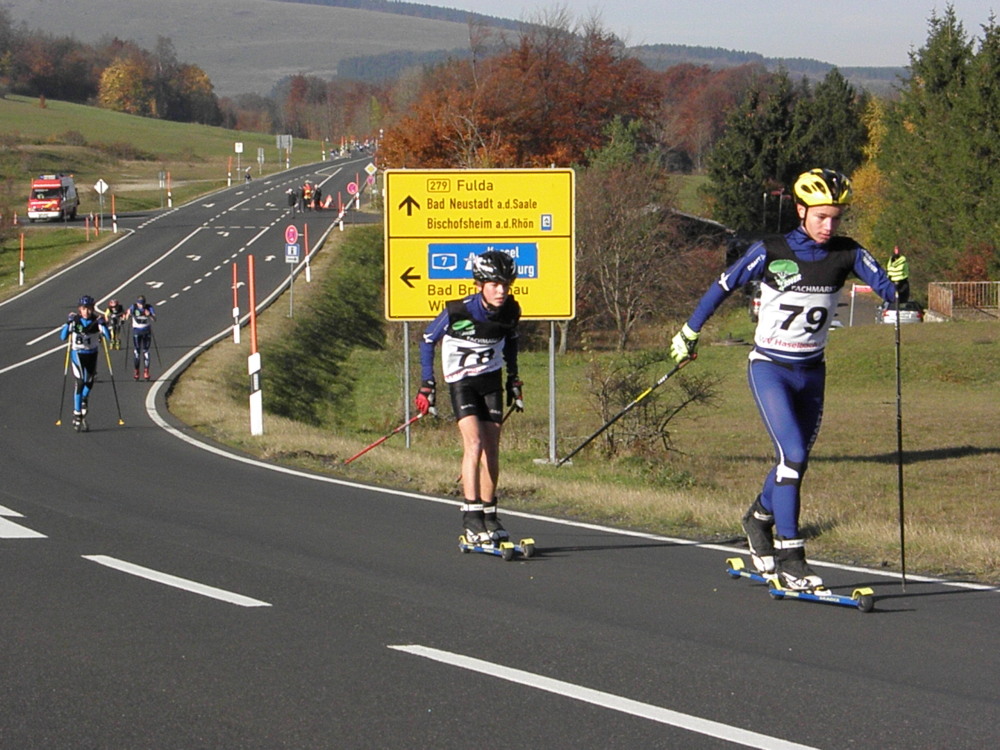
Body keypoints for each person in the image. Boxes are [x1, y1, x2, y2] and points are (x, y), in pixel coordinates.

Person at [669, 168, 910, 591]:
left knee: (792, 461)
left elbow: (892, 295)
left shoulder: (847, 253)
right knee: (794, 454)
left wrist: (899, 280)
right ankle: (791, 555)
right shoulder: (771, 249)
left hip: (812, 371)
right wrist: (690, 331)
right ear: (800, 210)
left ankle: (758, 519)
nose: (829, 225)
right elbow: (722, 285)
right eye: (820, 217)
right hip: (770, 368)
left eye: (836, 217)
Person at [416, 250, 523, 545]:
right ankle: (471, 515)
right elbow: (427, 340)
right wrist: (427, 383)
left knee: (492, 446)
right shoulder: (458, 310)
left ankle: (490, 515)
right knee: (474, 442)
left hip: (491, 381)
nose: (501, 291)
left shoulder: (511, 309)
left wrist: (514, 378)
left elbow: (511, 341)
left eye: (506, 284)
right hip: (462, 382)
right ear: (479, 284)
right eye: (494, 284)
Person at [60, 295, 110, 429]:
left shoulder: (96, 321)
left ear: (92, 309)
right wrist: (68, 323)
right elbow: (63, 337)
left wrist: (103, 325)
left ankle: (83, 400)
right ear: (79, 309)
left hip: (92, 354)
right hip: (78, 354)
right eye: (83, 309)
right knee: (80, 381)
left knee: (90, 382)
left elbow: (108, 337)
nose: (86, 312)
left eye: (88, 309)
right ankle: (77, 413)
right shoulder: (75, 321)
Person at [125, 294, 157, 380]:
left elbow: (154, 319)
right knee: (137, 351)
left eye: (143, 304)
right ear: (137, 303)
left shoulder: (149, 307)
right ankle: (136, 371)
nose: (141, 306)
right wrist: (127, 315)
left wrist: (149, 314)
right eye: (140, 304)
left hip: (146, 331)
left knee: (146, 351)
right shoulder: (133, 307)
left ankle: (146, 371)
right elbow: (126, 315)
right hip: (137, 331)